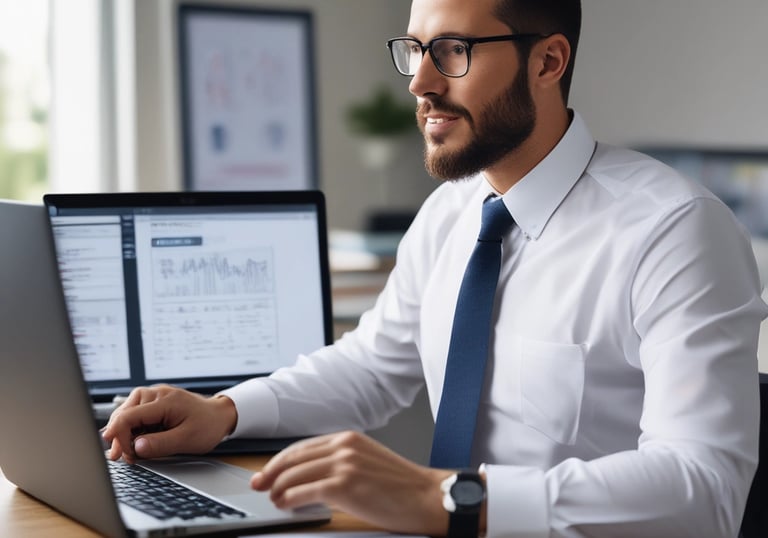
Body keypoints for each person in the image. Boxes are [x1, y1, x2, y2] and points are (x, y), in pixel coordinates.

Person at [103, 0, 768, 536]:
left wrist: (446, 498)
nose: (419, 82)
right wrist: (224, 412)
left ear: (547, 61)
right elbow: (372, 365)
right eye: (415, 50)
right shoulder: (453, 209)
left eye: (453, 50)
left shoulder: (675, 232)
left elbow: (705, 491)